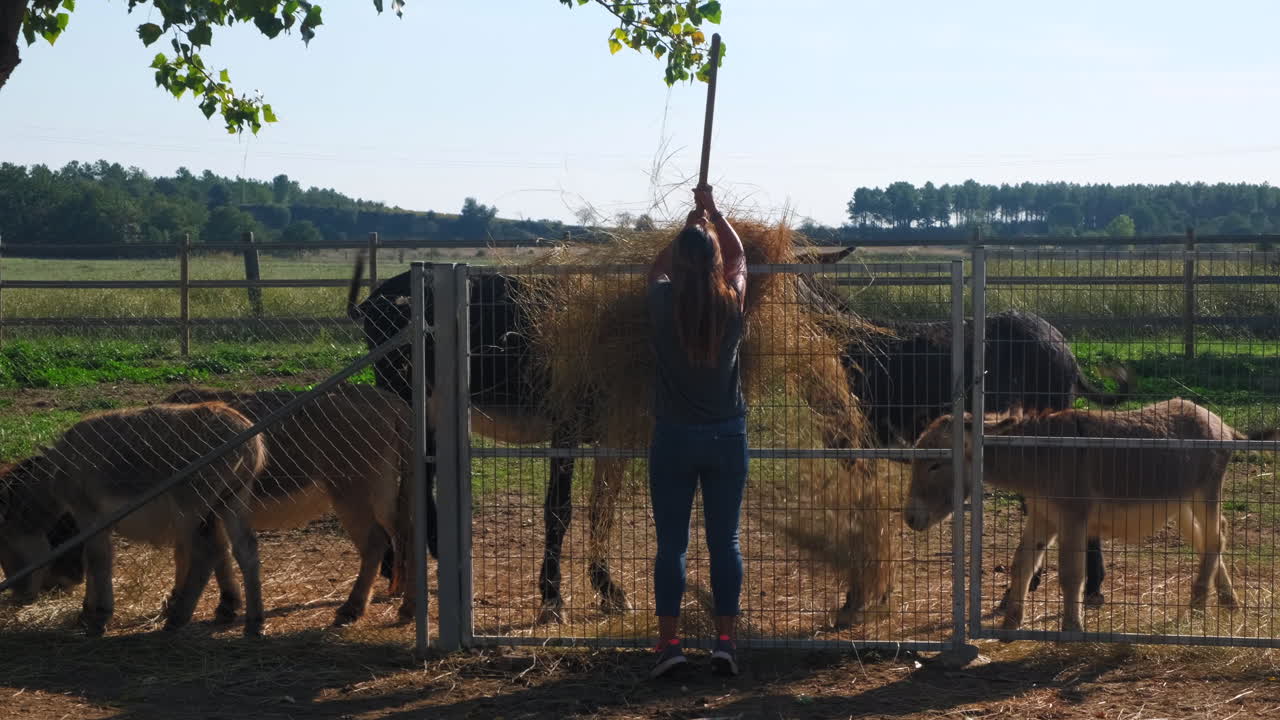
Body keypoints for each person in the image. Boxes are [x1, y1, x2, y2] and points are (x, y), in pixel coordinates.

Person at [645, 184, 748, 679]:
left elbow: (655, 269)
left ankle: (670, 647)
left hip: (673, 439)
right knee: (724, 541)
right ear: (711, 266)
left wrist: (686, 227)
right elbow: (741, 260)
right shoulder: (731, 305)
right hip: (727, 438)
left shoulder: (662, 303)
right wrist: (713, 214)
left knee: (672, 546)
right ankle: (725, 644)